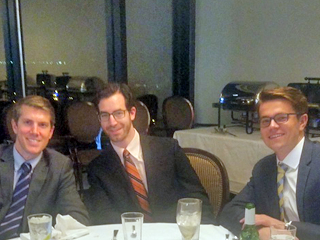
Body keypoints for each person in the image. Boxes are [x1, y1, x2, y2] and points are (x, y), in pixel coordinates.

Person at [86, 83, 214, 224]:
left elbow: (197, 200)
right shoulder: (98, 168)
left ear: (132, 113)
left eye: (118, 113)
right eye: (105, 115)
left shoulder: (168, 150)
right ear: (99, 119)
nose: (112, 122)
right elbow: (105, 219)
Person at [219, 87, 320, 240]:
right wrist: (259, 232)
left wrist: (284, 227)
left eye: (281, 117)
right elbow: (230, 212)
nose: (272, 126)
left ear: (302, 122)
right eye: (266, 120)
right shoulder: (264, 168)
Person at [0, 95, 89, 240]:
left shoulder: (59, 166)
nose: (35, 131)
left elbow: (77, 218)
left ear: (51, 132)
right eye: (28, 123)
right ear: (15, 126)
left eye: (42, 125)